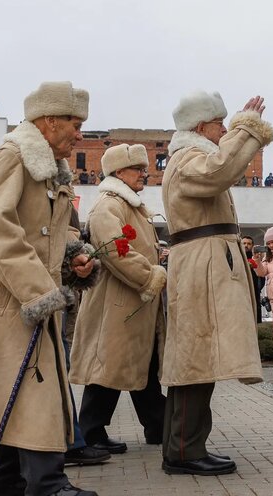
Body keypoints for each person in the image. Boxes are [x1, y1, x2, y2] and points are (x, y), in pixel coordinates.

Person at [0, 81, 98, 496]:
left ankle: (8, 484)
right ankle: (46, 484)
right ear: (48, 121)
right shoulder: (10, 158)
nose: (81, 134)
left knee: (19, 397)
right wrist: (39, 291)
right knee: (24, 392)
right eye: (75, 122)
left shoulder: (48, 170)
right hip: (7, 301)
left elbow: (47, 236)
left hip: (28, 300)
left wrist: (75, 260)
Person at [160, 90, 273, 476]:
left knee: (195, 358)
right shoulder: (187, 160)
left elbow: (220, 164)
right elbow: (219, 170)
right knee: (195, 358)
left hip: (202, 263)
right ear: (200, 127)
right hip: (200, 266)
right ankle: (184, 451)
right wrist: (247, 127)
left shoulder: (189, 156)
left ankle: (184, 447)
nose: (223, 129)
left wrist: (240, 128)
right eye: (219, 124)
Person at [71, 143, 168, 462]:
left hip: (131, 304)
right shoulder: (108, 206)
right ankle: (90, 432)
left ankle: (157, 425)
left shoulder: (128, 204)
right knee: (108, 368)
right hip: (117, 304)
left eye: (143, 167)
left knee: (140, 365)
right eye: (137, 168)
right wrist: (149, 276)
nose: (144, 173)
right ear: (118, 173)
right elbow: (116, 251)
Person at [241, 235, 265, 323]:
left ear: (252, 245)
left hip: (255, 290)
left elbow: (262, 275)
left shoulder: (256, 257)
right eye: (244, 243)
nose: (246, 245)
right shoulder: (237, 257)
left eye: (248, 243)